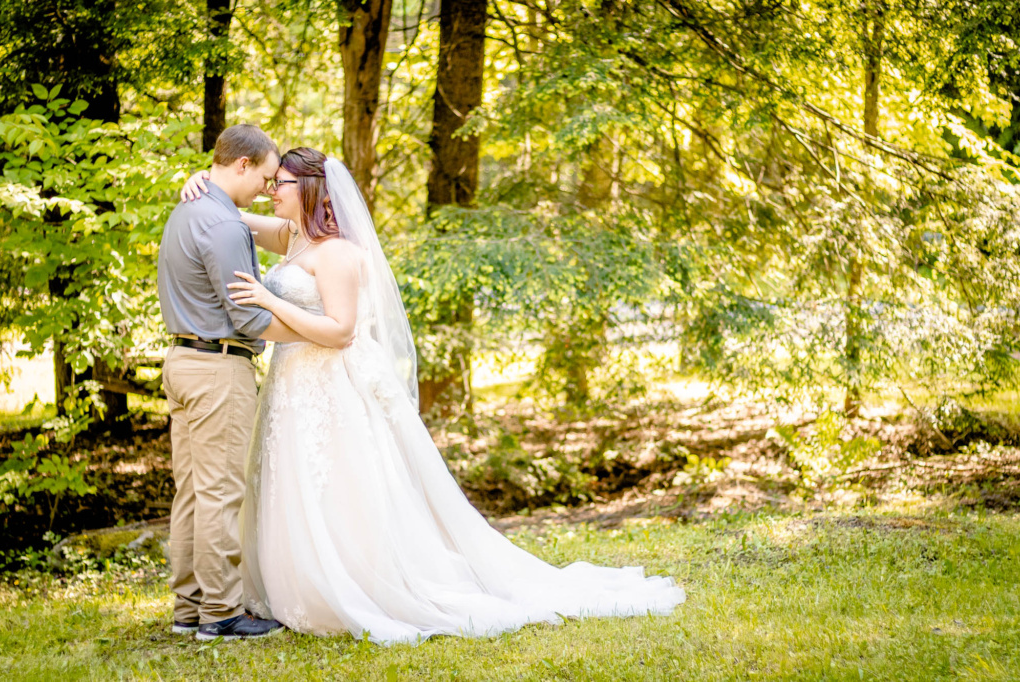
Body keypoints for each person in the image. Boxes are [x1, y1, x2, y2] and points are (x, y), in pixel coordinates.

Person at [180, 148, 685, 644]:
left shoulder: (337, 252)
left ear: (309, 189)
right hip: (291, 386)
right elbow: (235, 218)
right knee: (289, 483)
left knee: (334, 486)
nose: (271, 192)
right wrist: (203, 186)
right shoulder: (294, 237)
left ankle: (350, 583)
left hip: (327, 386)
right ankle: (293, 581)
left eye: (281, 185)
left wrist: (269, 299)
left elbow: (340, 332)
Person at [158, 124, 306, 642]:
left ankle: (189, 608)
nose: (268, 188)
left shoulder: (188, 211)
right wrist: (314, 334)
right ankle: (221, 614)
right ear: (242, 165)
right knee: (220, 493)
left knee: (193, 494)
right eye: (266, 177)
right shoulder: (224, 226)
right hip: (218, 368)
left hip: (181, 361)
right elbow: (247, 318)